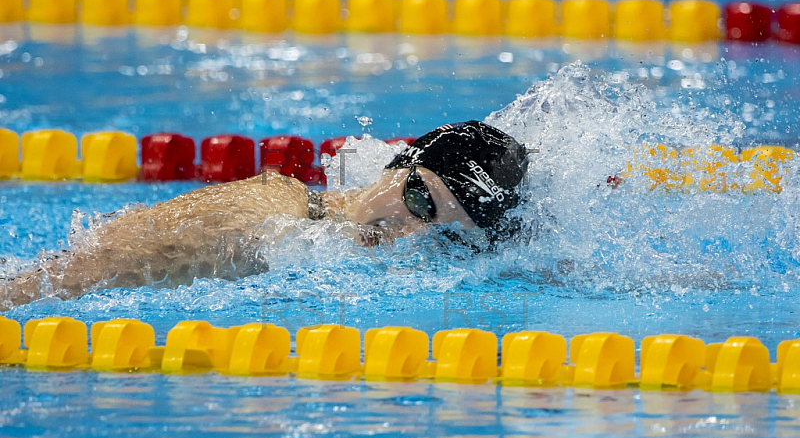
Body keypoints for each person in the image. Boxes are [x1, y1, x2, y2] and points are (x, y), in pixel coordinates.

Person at [0, 121, 528, 310]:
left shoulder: (335, 243)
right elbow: (72, 274)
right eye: (419, 202)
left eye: (444, 234)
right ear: (398, 165)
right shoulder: (261, 218)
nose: (412, 233)